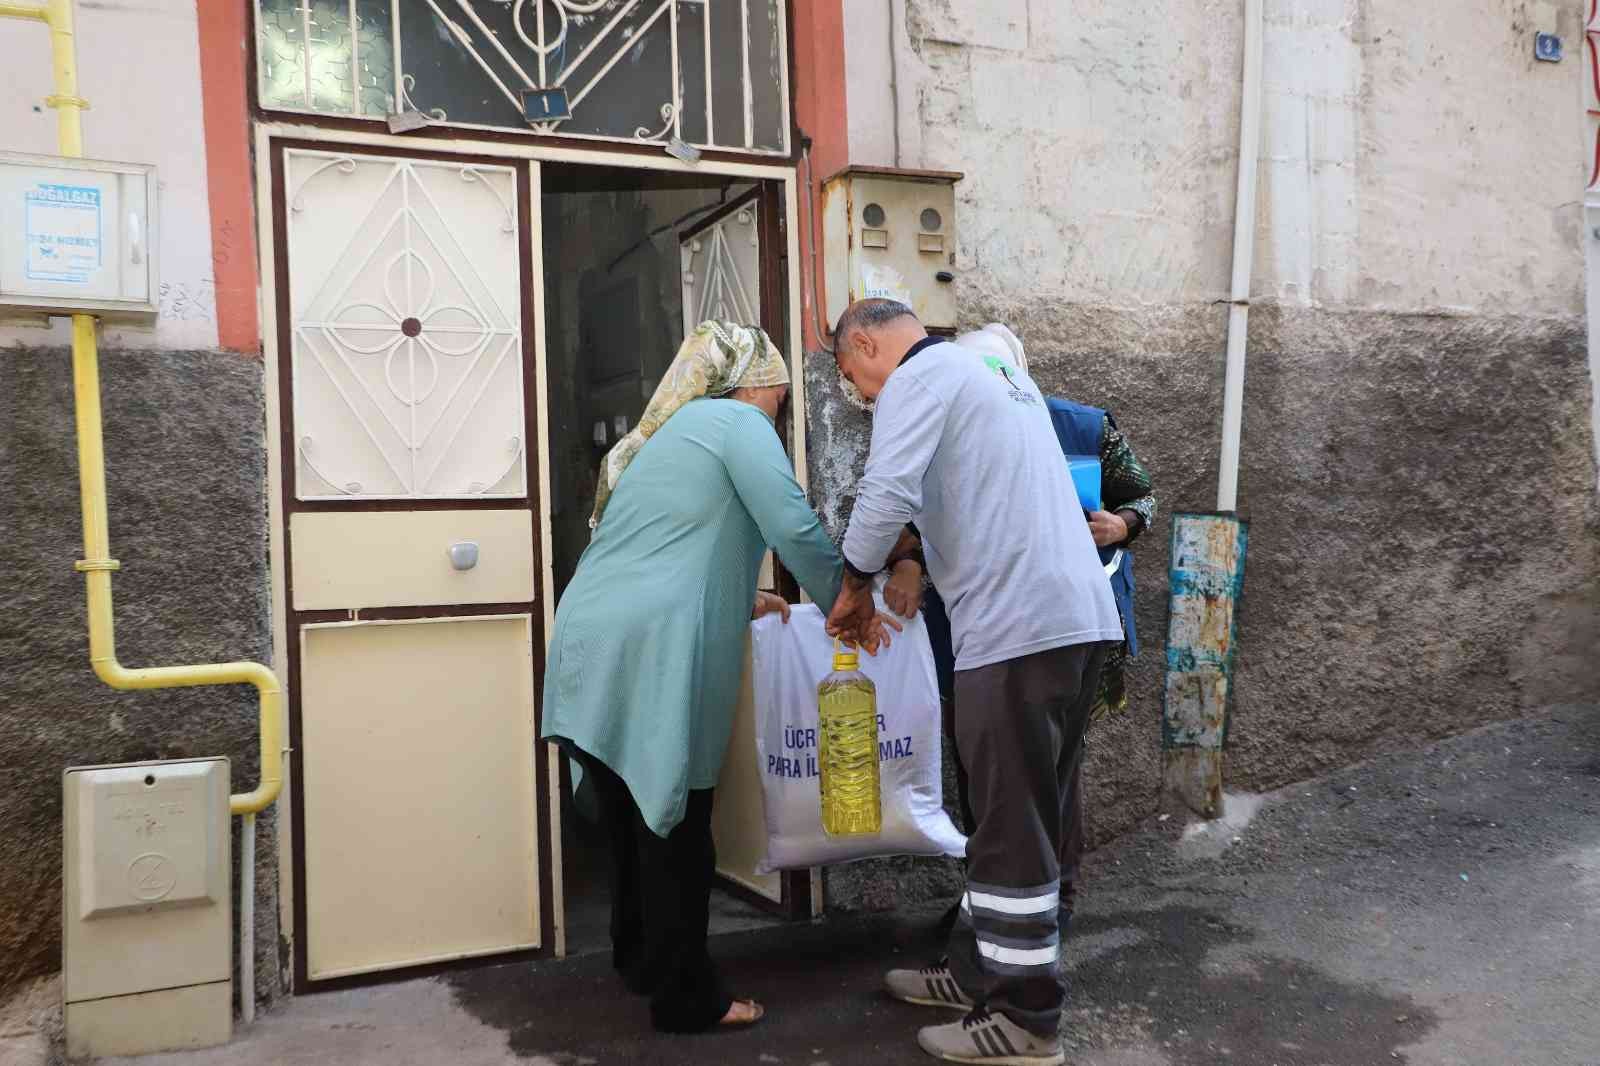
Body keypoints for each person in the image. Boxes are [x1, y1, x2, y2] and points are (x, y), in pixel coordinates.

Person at [541, 320, 894, 1034]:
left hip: (590, 633)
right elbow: (791, 524)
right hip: (653, 643)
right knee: (677, 817)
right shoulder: (736, 421)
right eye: (780, 399)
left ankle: (639, 959)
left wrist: (755, 599)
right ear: (754, 383)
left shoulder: (668, 438)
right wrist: (847, 602)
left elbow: (677, 542)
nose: (780, 413)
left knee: (632, 810)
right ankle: (687, 997)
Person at [826, 299, 1123, 1066]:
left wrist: (854, 580)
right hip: (1076, 621)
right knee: (1034, 810)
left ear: (865, 342)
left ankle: (1025, 1021)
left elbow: (884, 495)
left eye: (852, 374)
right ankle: (976, 973)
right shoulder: (991, 371)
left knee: (1010, 822)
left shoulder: (918, 382)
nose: (860, 393)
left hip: (1016, 632)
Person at [884, 324, 1157, 938]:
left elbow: (1143, 495)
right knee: (997, 779)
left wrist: (1122, 525)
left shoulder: (1082, 426)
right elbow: (917, 516)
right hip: (980, 628)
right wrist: (903, 558)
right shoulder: (950, 423)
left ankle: (1037, 915)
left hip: (1055, 628)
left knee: (1042, 781)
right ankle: (998, 911)